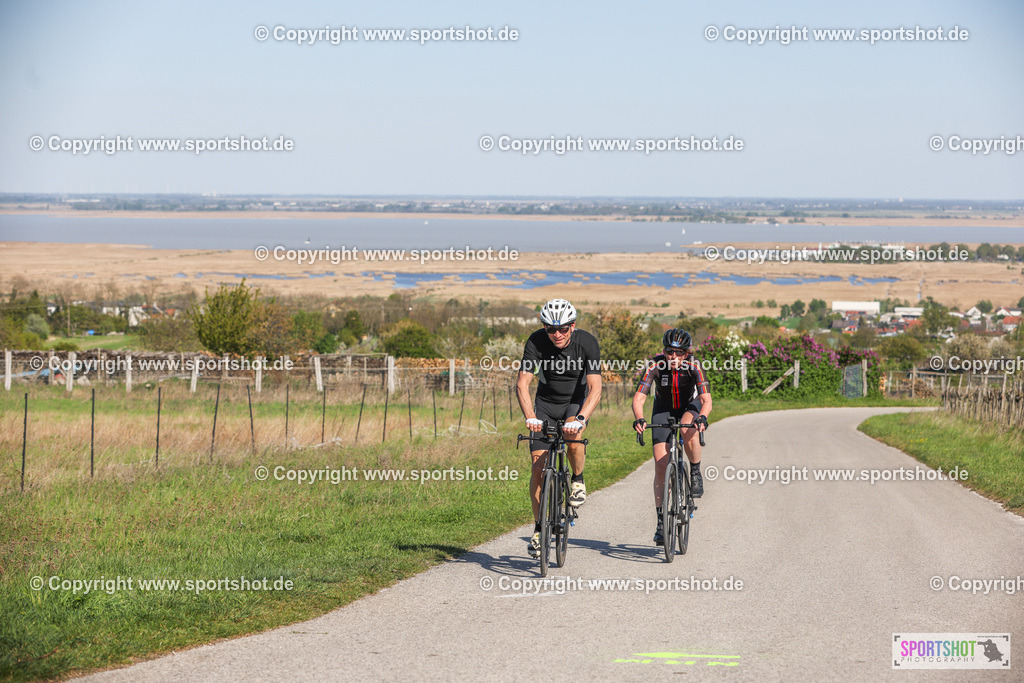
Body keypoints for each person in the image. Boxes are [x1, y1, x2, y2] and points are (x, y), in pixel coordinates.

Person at [516, 298, 602, 558]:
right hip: (545, 405)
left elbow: (595, 388)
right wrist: (530, 416)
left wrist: (582, 418)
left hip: (573, 403)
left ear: (572, 326)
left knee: (573, 437)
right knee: (537, 467)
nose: (556, 334)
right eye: (550, 329)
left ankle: (577, 480)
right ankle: (539, 528)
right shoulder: (536, 341)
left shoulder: (587, 343)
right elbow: (522, 383)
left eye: (562, 329)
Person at [631, 329, 711, 546]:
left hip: (689, 406)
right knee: (660, 464)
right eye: (669, 352)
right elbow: (639, 398)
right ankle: (660, 521)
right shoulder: (655, 365)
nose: (673, 357)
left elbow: (706, 399)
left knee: (687, 427)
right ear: (663, 351)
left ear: (686, 354)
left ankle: (694, 471)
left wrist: (702, 417)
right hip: (663, 408)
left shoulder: (694, 366)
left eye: (679, 353)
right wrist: (639, 418)